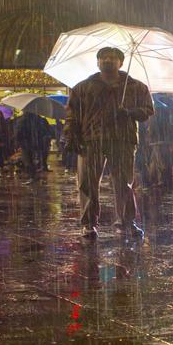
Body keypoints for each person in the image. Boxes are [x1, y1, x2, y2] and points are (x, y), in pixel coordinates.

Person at [64, 47, 155, 239]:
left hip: (122, 140)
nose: (108, 60)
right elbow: (72, 115)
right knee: (87, 184)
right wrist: (71, 137)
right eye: (103, 57)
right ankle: (89, 224)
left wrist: (130, 113)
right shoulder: (83, 87)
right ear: (97, 62)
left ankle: (126, 222)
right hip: (90, 140)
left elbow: (148, 110)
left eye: (113, 58)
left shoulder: (136, 87)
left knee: (124, 184)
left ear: (121, 63)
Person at [16, 112, 49, 184]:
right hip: (36, 143)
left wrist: (18, 142)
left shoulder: (22, 120)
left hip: (26, 144)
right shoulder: (39, 120)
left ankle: (32, 177)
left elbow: (18, 132)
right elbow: (44, 131)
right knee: (36, 160)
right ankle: (36, 176)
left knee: (28, 161)